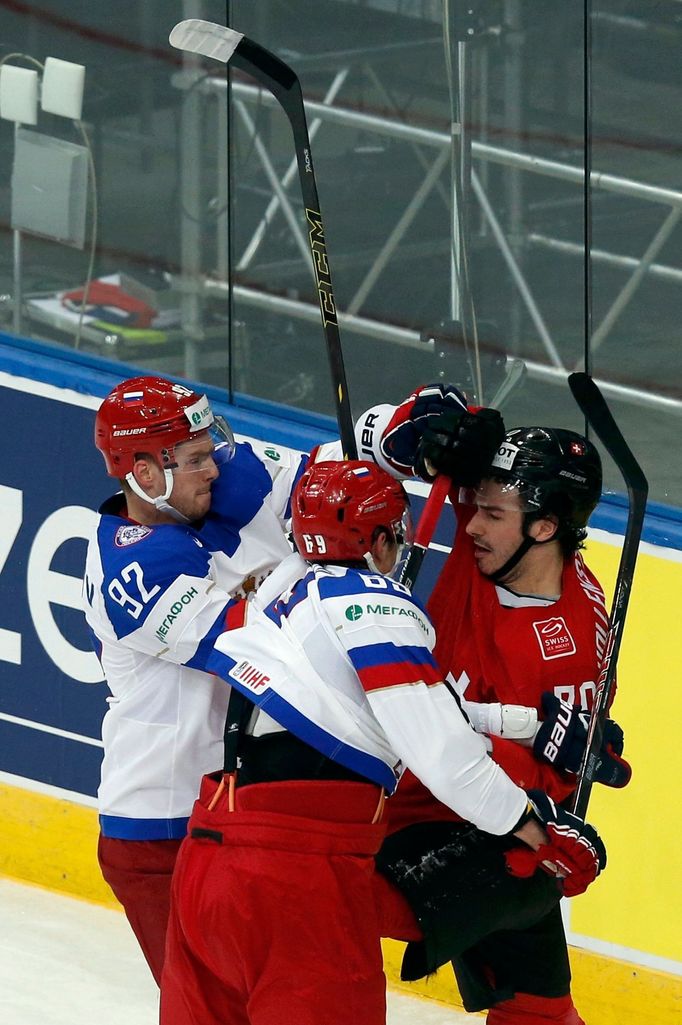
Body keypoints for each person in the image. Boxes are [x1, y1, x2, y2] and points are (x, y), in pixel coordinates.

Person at [159, 459, 607, 1025]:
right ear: (374, 540)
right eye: (395, 532)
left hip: (207, 864)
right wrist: (538, 829)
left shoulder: (279, 588)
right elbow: (442, 753)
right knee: (523, 882)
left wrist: (528, 726)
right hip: (297, 873)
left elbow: (379, 704)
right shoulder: (376, 606)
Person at [82, 373, 490, 984]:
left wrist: (412, 428)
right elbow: (272, 651)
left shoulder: (222, 476)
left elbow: (332, 475)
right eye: (194, 459)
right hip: (161, 832)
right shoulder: (131, 568)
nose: (213, 468)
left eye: (207, 450)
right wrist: (353, 587)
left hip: (253, 815)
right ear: (145, 475)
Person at [358, 407, 631, 1025]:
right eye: (474, 505)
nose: (471, 525)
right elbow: (402, 433)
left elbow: (552, 778)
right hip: (380, 797)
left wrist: (495, 746)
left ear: (544, 528)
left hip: (466, 815)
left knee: (541, 1007)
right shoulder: (491, 544)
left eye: (492, 514)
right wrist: (461, 426)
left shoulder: (577, 637)